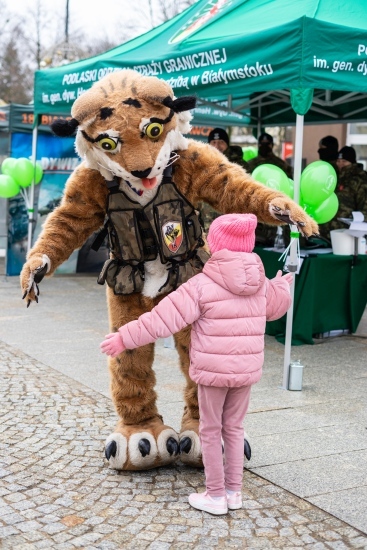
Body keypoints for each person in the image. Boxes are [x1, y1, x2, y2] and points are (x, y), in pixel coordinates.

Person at [100, 213, 293, 515]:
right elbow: (276, 307)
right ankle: (234, 493)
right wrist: (282, 286)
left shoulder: (202, 284)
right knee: (234, 428)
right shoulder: (260, 282)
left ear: (214, 245)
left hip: (213, 374)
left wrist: (124, 337)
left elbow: (162, 319)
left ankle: (215, 495)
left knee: (211, 429)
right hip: (245, 373)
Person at [247, 133, 292, 246]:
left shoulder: (281, 165)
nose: (264, 146)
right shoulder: (250, 164)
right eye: (262, 144)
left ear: (272, 145)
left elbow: (289, 185)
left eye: (267, 144)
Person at [202, 128, 250, 231]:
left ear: (227, 144)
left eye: (221, 142)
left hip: (232, 224)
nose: (217, 146)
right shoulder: (202, 165)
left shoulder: (240, 166)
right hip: (207, 225)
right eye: (213, 142)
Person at [320, 146, 367, 239]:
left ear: (352, 162)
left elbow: (364, 211)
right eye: (338, 161)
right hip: (327, 234)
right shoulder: (333, 177)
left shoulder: (360, 180)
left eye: (344, 161)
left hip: (349, 235)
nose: (340, 164)